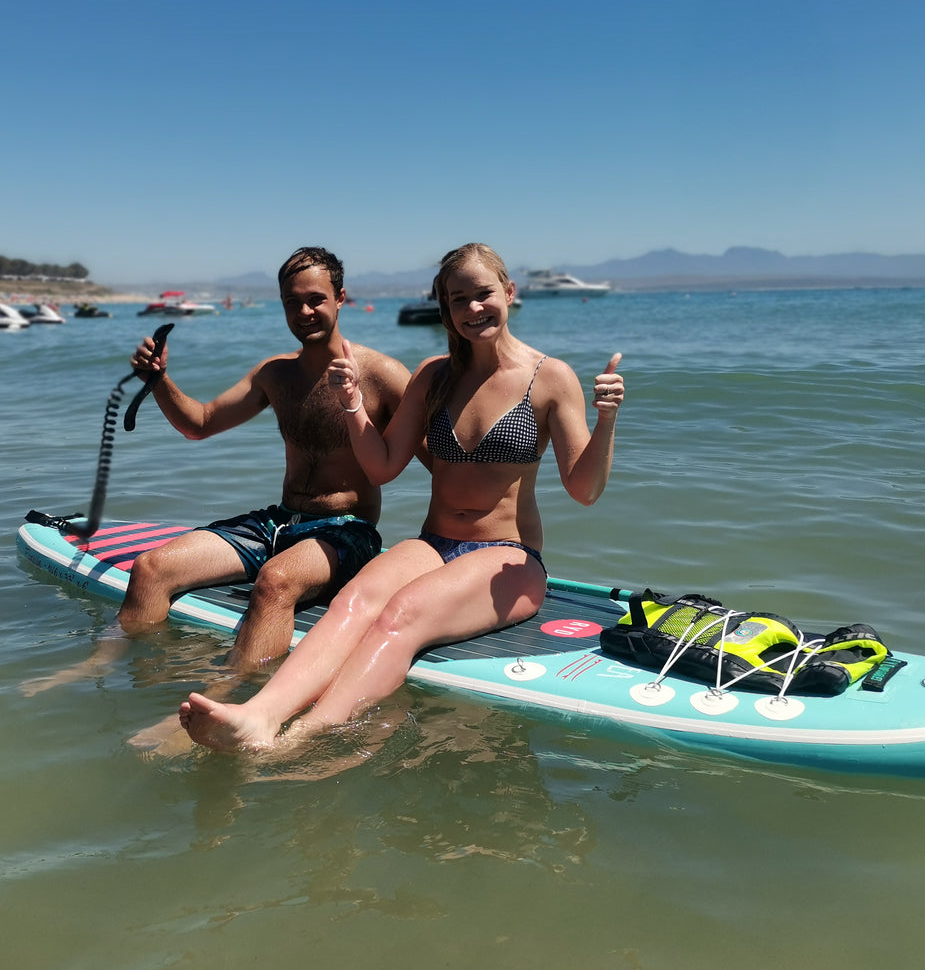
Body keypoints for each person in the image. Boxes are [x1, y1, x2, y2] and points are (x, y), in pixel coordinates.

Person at [180, 242, 625, 752]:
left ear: (508, 292)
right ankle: (260, 715)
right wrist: (352, 405)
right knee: (352, 602)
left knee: (402, 614)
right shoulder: (435, 376)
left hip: (509, 556)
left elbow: (584, 489)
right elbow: (383, 466)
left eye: (483, 294)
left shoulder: (550, 377)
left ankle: (302, 736)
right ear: (445, 308)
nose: (473, 308)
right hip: (433, 544)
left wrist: (606, 421)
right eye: (458, 299)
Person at [117, 246, 416, 670]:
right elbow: (199, 423)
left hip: (348, 533)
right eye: (292, 302)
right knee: (150, 568)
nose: (304, 312)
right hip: (279, 522)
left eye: (315, 299)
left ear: (340, 298)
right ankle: (110, 669)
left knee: (274, 582)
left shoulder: (382, 374)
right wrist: (158, 380)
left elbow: (439, 457)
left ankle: (230, 692)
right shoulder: (275, 374)